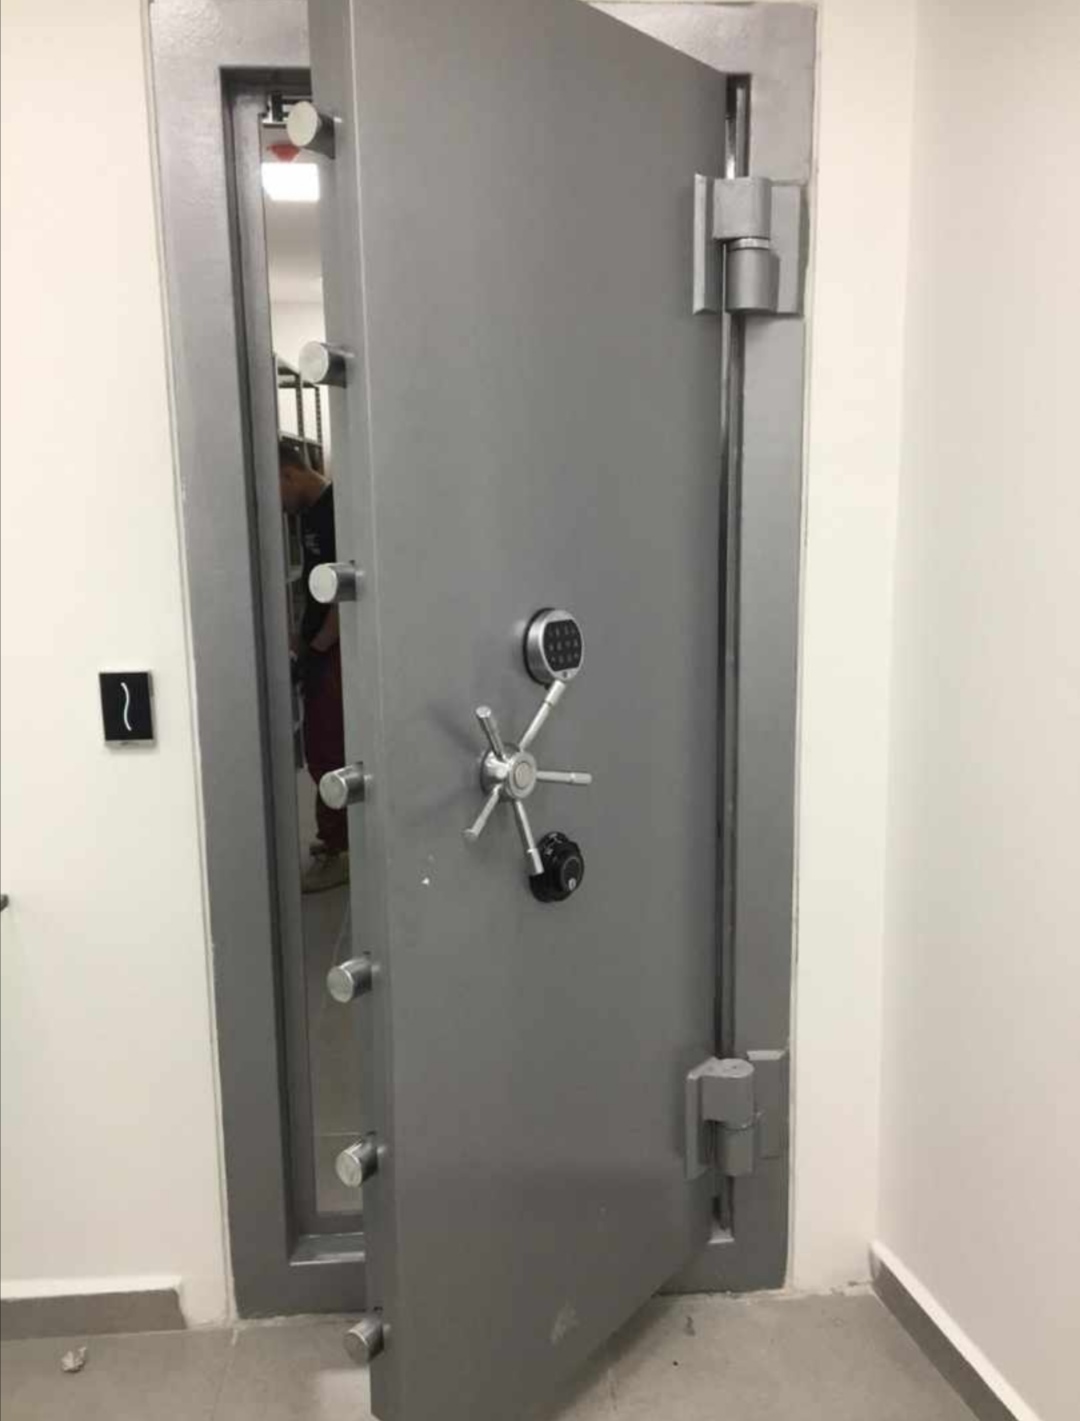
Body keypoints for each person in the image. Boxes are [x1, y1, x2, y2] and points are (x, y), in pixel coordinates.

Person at [279, 437, 349, 893]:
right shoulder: (310, 514)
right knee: (322, 749)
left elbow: (347, 587)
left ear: (288, 473)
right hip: (319, 648)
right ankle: (335, 839)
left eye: (276, 489)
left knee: (328, 749)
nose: (277, 505)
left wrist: (319, 645)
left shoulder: (337, 509)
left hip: (332, 651)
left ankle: (340, 850)